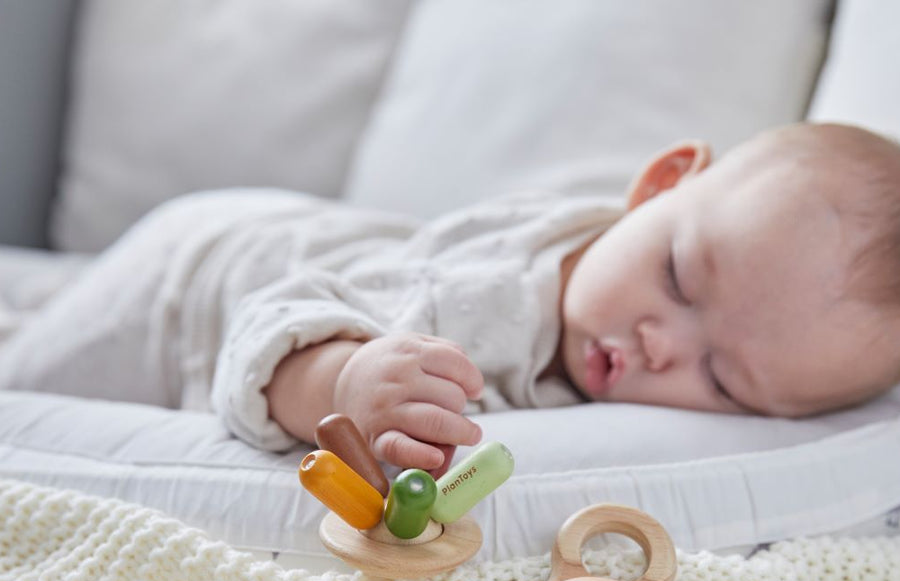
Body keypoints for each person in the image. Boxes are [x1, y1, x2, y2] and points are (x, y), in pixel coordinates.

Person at [2, 122, 899, 478]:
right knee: (24, 370)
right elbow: (267, 328)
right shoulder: (479, 309)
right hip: (197, 286)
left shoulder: (642, 305)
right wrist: (344, 384)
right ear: (658, 185)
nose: (665, 345)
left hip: (301, 243)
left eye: (725, 378)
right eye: (679, 279)